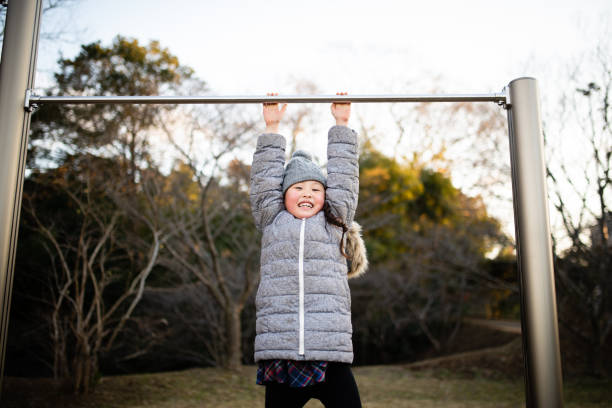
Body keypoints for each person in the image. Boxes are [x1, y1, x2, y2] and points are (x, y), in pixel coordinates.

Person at [249, 92, 363, 408]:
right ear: (283, 195)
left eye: (315, 189)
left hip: (329, 352)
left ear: (325, 196)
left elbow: (344, 177)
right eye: (298, 188)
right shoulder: (271, 219)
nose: (307, 194)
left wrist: (341, 123)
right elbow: (264, 180)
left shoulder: (335, 219)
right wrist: (272, 127)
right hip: (282, 353)